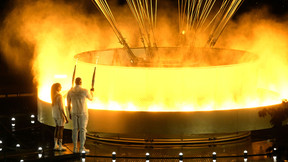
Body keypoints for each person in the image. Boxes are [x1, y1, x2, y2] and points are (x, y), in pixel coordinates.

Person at [67, 77, 93, 153]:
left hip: (74, 111)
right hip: (83, 112)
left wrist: (69, 112)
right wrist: (92, 92)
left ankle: (75, 148)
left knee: (75, 130)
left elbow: (68, 103)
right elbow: (91, 98)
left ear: (75, 82)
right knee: (82, 130)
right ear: (81, 82)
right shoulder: (85, 90)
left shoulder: (70, 91)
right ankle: (81, 148)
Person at [51, 83, 68, 151]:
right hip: (60, 115)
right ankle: (60, 146)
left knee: (57, 128)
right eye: (60, 86)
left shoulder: (54, 95)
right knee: (61, 130)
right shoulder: (60, 96)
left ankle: (55, 145)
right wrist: (65, 117)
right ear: (57, 88)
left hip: (54, 114)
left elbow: (63, 94)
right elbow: (62, 108)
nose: (61, 87)